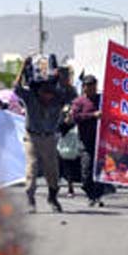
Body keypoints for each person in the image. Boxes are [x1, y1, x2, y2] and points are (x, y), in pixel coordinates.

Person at [14, 60, 72, 213]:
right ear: (38, 91)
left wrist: (64, 77)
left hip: (49, 138)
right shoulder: (30, 98)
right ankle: (30, 198)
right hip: (32, 137)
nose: (47, 96)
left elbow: (72, 95)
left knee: (52, 170)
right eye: (44, 92)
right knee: (32, 168)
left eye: (49, 92)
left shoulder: (58, 100)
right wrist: (22, 68)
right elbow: (16, 88)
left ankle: (52, 197)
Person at [70, 74, 105, 207]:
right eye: (88, 86)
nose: (91, 89)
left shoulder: (102, 99)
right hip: (86, 141)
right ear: (84, 87)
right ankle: (90, 192)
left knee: (101, 172)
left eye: (93, 86)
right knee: (86, 172)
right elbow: (75, 117)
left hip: (101, 142)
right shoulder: (78, 102)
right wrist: (92, 115)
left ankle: (96, 196)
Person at [57, 67, 81, 197]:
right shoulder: (54, 88)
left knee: (67, 157)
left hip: (67, 126)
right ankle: (56, 182)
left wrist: (71, 113)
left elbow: (75, 104)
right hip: (54, 126)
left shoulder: (71, 90)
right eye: (63, 76)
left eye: (67, 76)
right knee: (57, 159)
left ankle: (70, 186)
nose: (65, 79)